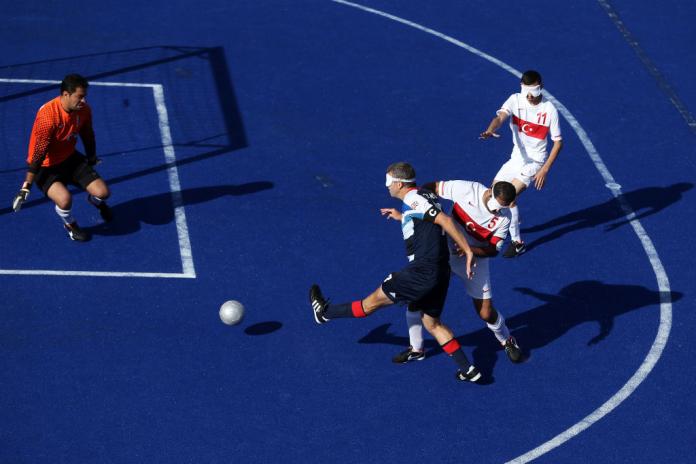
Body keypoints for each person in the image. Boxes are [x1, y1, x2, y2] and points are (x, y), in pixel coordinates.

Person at [309, 162, 483, 383]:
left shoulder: (413, 199)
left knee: (368, 304)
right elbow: (429, 222)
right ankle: (467, 369)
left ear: (399, 184)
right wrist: (403, 218)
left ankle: (324, 313)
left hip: (422, 271)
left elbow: (445, 220)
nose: (387, 186)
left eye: (388, 182)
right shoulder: (424, 195)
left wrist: (468, 251)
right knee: (433, 323)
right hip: (441, 272)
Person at [392, 179, 523, 365]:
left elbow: (493, 250)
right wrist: (427, 216)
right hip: (442, 253)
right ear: (490, 190)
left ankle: (507, 340)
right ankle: (416, 349)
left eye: (500, 208)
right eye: (495, 206)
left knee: (486, 313)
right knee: (417, 300)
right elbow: (431, 188)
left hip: (475, 262)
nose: (496, 211)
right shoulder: (466, 189)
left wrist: (470, 249)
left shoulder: (504, 217)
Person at [12, 73, 112, 241]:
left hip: (70, 158)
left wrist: (92, 157)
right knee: (65, 200)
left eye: (85, 97)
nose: (84, 101)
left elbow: (87, 135)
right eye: (80, 97)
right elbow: (39, 153)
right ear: (66, 94)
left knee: (103, 193)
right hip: (46, 167)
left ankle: (96, 202)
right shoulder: (48, 117)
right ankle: (71, 225)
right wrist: (26, 185)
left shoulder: (84, 110)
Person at [479, 69, 563, 257]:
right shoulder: (515, 99)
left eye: (534, 93)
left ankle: (517, 243)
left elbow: (558, 142)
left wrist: (544, 169)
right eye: (527, 93)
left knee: (504, 200)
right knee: (491, 194)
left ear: (540, 87)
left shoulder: (549, 110)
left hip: (534, 162)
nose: (531, 98)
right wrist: (490, 128)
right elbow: (500, 117)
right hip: (515, 158)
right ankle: (513, 216)